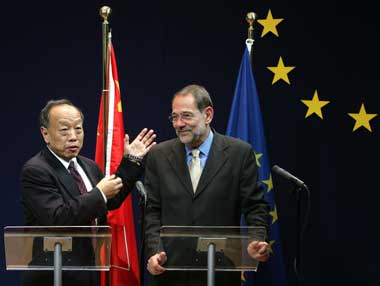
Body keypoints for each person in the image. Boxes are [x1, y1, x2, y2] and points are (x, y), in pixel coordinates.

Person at [144, 84, 270, 286]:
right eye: (174, 117)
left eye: (186, 116)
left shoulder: (239, 153)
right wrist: (154, 251)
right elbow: (152, 212)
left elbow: (255, 206)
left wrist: (256, 239)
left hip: (220, 271)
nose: (179, 124)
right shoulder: (159, 155)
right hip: (171, 272)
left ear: (208, 115)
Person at [20, 99, 156, 286]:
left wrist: (131, 162)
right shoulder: (36, 170)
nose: (74, 136)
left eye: (78, 128)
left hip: (87, 271)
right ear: (45, 134)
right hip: (53, 274)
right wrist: (99, 193)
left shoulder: (88, 166)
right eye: (64, 130)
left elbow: (110, 200)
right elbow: (57, 217)